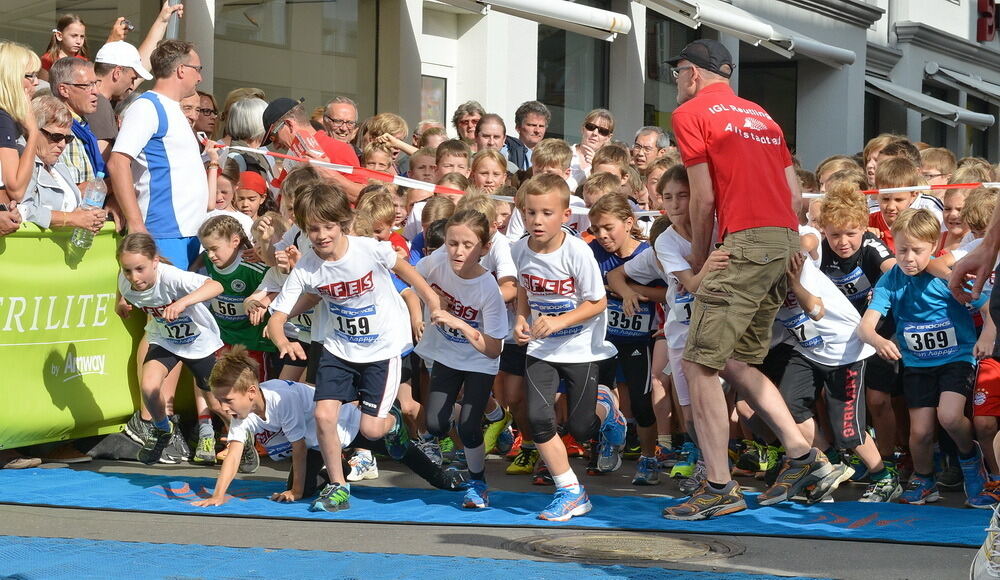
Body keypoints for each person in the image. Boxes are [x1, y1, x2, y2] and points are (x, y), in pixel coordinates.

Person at [661, 39, 843, 521]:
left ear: (692, 74)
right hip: (781, 238)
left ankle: (719, 486)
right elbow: (794, 192)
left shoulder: (692, 113)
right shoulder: (761, 114)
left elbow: (701, 200)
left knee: (699, 366)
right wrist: (786, 244)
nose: (675, 81)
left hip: (745, 241)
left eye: (676, 71)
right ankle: (804, 457)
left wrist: (700, 264)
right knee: (737, 361)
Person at [266, 182, 444, 512]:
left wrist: (432, 300)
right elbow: (277, 316)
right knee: (323, 414)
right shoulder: (307, 266)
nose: (321, 236)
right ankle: (338, 485)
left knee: (372, 429)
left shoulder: (367, 249)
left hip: (382, 346)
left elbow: (404, 268)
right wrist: (283, 340)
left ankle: (391, 423)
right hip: (339, 347)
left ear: (343, 224)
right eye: (313, 229)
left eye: (328, 227)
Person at [190, 347, 467, 508]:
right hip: (317, 442)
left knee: (400, 450)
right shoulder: (243, 410)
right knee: (302, 490)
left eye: (227, 400)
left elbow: (297, 449)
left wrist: (296, 492)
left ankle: (405, 437)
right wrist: (218, 495)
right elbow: (235, 451)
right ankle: (340, 469)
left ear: (251, 391)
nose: (224, 408)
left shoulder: (278, 399)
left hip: (346, 423)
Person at [511, 173, 624, 521]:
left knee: (581, 428)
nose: (537, 220)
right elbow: (524, 291)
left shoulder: (577, 252)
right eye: (530, 213)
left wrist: (560, 321)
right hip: (542, 348)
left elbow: (598, 302)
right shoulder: (518, 248)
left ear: (564, 216)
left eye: (546, 213)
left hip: (581, 347)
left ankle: (608, 408)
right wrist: (520, 317)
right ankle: (570, 491)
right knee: (538, 419)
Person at [860, 209, 991, 505]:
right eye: (902, 249)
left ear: (933, 246)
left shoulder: (949, 276)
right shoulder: (892, 280)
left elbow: (987, 307)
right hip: (918, 364)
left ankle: (970, 462)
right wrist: (878, 339)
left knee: (949, 416)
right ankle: (925, 479)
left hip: (956, 359)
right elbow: (865, 327)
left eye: (917, 251)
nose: (908, 258)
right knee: (919, 434)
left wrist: (986, 335)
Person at [415, 210, 508, 508]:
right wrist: (430, 300)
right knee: (435, 423)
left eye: (467, 245)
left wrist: (463, 325)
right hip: (446, 354)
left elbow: (494, 348)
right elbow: (411, 276)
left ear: (484, 248)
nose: (458, 251)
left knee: (468, 425)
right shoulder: (436, 262)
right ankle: (494, 413)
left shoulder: (488, 289)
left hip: (479, 359)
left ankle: (478, 483)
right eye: (452, 243)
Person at [115, 233, 224, 465]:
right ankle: (163, 429)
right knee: (149, 386)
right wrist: (121, 301)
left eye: (140, 269)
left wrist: (182, 302)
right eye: (128, 270)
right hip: (164, 339)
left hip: (197, 343)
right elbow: (121, 281)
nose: (134, 277)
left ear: (155, 261)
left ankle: (241, 437)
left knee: (216, 403)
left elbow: (216, 285)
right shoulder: (126, 278)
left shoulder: (172, 277)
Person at [108, 39, 209, 270]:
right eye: (198, 70)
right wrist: (135, 224)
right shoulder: (147, 107)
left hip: (189, 233)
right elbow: (118, 163)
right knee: (164, 306)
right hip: (163, 232)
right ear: (182, 70)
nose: (200, 78)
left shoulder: (172, 109)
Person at [587, 194, 664, 483]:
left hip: (639, 340)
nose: (602, 235)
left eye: (608, 227)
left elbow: (670, 291)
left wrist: (634, 292)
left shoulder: (648, 253)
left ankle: (649, 458)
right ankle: (606, 444)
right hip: (603, 339)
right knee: (599, 397)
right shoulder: (593, 251)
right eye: (596, 229)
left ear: (629, 222)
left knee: (642, 404)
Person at [18, 95, 105, 233]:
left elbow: (71, 208)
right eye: (57, 137)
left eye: (68, 138)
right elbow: (21, 210)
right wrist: (71, 218)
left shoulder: (58, 165)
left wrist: (88, 215)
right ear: (34, 131)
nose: (62, 145)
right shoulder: (19, 159)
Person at [261, 97, 364, 204]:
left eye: (274, 137)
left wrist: (329, 175)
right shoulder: (293, 155)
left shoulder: (340, 149)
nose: (276, 146)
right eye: (338, 121)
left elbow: (362, 197)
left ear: (289, 124)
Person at [89, 41, 152, 157]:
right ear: (117, 73)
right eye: (132, 79)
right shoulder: (99, 103)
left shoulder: (91, 99)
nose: (132, 86)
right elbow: (103, 161)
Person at [0, 42, 42, 204]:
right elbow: (16, 190)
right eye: (30, 75)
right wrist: (33, 133)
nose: (36, 82)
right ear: (12, 78)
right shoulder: (3, 119)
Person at [49, 57, 103, 183]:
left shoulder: (82, 127)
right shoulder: (58, 130)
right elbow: (71, 190)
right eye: (88, 85)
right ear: (64, 90)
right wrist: (118, 181)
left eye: (95, 84)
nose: (96, 91)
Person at [570, 109, 614, 189]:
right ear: (583, 129)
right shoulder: (565, 153)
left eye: (602, 131)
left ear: (608, 137)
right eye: (591, 127)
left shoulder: (609, 165)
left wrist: (597, 168)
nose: (595, 133)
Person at [38, 14, 89, 82]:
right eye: (74, 36)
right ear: (59, 36)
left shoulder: (83, 61)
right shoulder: (48, 59)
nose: (79, 41)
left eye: (82, 36)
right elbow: (43, 88)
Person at [505, 100, 549, 171]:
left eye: (541, 126)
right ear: (518, 127)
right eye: (532, 125)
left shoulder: (551, 156)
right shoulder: (506, 153)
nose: (537, 130)